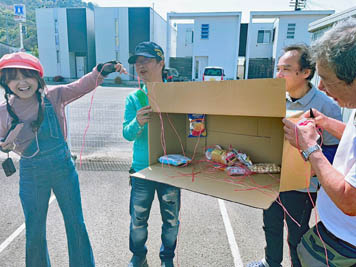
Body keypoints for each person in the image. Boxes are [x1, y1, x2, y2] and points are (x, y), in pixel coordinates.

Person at [0, 52, 126, 266]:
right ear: (5, 82)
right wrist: (5, 144)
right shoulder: (3, 111)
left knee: (75, 223)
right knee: (35, 228)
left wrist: (101, 71)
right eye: (13, 77)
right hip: (31, 173)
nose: (21, 83)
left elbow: (79, 86)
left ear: (38, 78)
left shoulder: (53, 96)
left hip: (63, 169)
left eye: (27, 76)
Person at [247, 44, 342, 267]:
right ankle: (271, 263)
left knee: (296, 235)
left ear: (305, 73)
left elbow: (335, 151)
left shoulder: (326, 107)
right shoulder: (274, 98)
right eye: (278, 68)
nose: (278, 75)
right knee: (270, 224)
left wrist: (306, 154)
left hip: (302, 186)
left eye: (286, 69)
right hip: (271, 178)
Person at [283, 18, 356, 266]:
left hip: (348, 244)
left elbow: (350, 200)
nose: (321, 87)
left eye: (327, 78)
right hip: (335, 232)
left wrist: (310, 148)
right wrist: (326, 122)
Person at [123, 42, 181, 267]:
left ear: (161, 62)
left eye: (146, 60)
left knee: (172, 221)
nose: (140, 65)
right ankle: (139, 256)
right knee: (138, 220)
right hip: (142, 169)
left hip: (171, 168)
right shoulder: (134, 98)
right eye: (137, 62)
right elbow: (127, 134)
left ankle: (167, 258)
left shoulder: (177, 95)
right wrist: (137, 122)